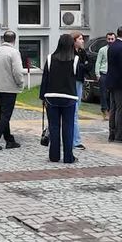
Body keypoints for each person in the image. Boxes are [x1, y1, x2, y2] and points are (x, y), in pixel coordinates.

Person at [40, 33, 84, 164]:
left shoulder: (50, 58)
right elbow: (79, 76)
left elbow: (45, 79)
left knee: (54, 127)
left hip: (51, 96)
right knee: (68, 127)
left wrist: (42, 97)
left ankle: (54, 156)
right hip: (69, 97)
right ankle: (68, 157)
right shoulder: (75, 60)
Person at [0, 30, 24, 151]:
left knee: (3, 114)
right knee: (6, 116)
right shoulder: (14, 53)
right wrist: (20, 83)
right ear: (14, 40)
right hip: (10, 88)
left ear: (3, 39)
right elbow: (18, 71)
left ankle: (9, 140)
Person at [71, 31, 88, 149]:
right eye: (80, 39)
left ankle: (74, 139)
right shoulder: (70, 53)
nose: (82, 41)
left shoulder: (82, 52)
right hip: (74, 81)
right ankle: (75, 140)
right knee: (74, 111)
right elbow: (79, 67)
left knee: (76, 110)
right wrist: (83, 66)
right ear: (74, 41)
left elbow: (87, 65)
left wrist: (83, 67)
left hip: (80, 80)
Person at [95, 31, 115, 120]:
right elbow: (98, 62)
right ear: (106, 39)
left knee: (112, 93)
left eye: (112, 39)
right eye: (109, 39)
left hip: (113, 75)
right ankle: (105, 110)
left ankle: (111, 110)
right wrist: (97, 74)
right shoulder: (102, 50)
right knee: (103, 93)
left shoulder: (116, 49)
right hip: (104, 73)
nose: (110, 41)